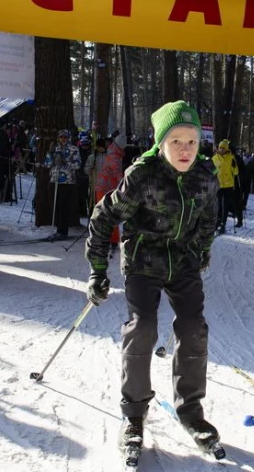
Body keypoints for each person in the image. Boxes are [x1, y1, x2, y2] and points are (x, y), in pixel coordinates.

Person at [85, 101, 221, 455]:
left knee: (193, 328)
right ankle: (133, 415)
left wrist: (202, 252)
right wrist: (98, 270)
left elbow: (208, 220)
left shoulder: (206, 175)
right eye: (175, 141)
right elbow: (103, 218)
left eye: (191, 141)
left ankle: (190, 410)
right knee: (143, 326)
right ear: (160, 143)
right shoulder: (142, 176)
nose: (184, 149)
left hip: (184, 261)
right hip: (144, 260)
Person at [43, 129, 81, 238]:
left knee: (64, 206)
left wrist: (65, 162)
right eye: (61, 137)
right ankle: (58, 229)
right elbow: (47, 164)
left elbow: (77, 165)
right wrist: (50, 154)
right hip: (55, 180)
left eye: (65, 137)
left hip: (67, 181)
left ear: (68, 138)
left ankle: (63, 231)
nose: (63, 139)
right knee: (56, 205)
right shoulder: (56, 148)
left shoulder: (73, 149)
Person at [211, 140, 240, 232]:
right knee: (218, 204)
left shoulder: (231, 158)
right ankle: (217, 222)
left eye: (223, 148)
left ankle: (223, 223)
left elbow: (236, 172)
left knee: (225, 205)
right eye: (220, 147)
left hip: (228, 185)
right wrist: (215, 174)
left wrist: (234, 166)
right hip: (218, 185)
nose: (221, 149)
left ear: (226, 149)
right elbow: (212, 171)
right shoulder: (214, 158)